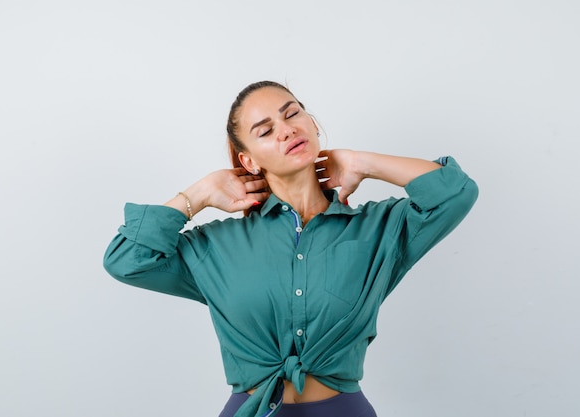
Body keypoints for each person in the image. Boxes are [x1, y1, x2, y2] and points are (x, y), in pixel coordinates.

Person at [103, 80, 479, 417]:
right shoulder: (214, 246)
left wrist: (363, 163)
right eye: (266, 131)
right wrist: (198, 195)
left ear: (312, 124)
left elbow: (455, 192)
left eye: (293, 114)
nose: (287, 130)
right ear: (248, 161)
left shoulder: (379, 230)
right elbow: (126, 260)